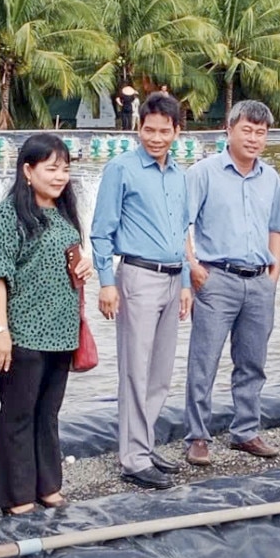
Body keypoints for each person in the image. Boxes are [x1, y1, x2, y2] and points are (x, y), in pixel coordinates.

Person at [0, 133, 92, 515]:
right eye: (51, 168)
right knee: (19, 413)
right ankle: (17, 495)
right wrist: (0, 332)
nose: (60, 176)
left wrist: (83, 268)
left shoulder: (63, 213)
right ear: (28, 170)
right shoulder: (7, 216)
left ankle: (48, 485)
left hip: (60, 333)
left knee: (48, 412)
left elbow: (66, 264)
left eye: (65, 168)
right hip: (22, 332)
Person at [92, 92, 191, 490]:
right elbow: (101, 230)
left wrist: (185, 284)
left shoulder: (180, 175)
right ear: (138, 128)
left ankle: (145, 445)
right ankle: (133, 458)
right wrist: (106, 283)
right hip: (137, 276)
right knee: (135, 369)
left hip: (171, 278)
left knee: (160, 373)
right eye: (148, 130)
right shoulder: (122, 168)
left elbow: (182, 233)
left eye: (164, 131)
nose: (155, 138)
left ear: (177, 132)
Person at [184, 99, 280, 465]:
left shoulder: (271, 177)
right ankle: (197, 436)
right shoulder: (203, 173)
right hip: (216, 279)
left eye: (261, 132)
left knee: (253, 362)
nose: (254, 138)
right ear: (228, 130)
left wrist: (274, 274)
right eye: (247, 130)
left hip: (259, 280)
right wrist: (194, 267)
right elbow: (183, 224)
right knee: (204, 361)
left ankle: (245, 431)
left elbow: (278, 227)